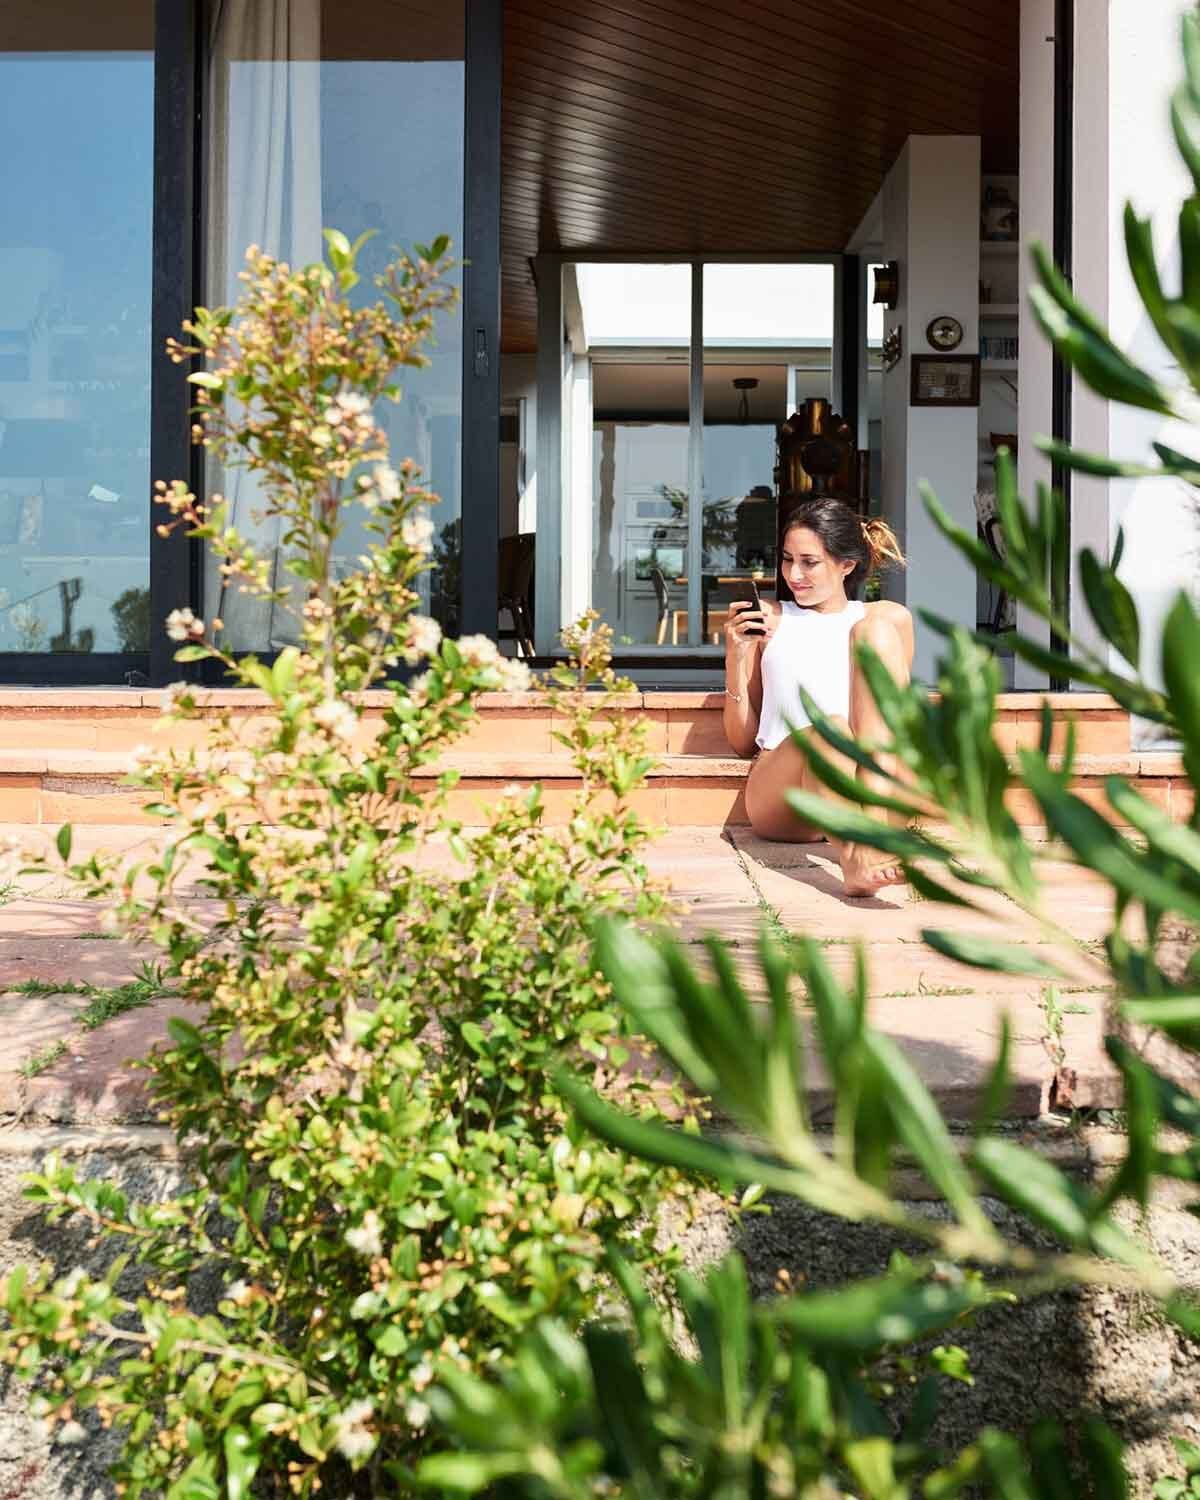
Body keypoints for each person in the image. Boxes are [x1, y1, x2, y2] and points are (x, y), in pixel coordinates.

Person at [723, 497, 913, 897]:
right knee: (832, 727)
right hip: (786, 793)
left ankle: (868, 832)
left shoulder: (888, 619)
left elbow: (892, 722)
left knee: (874, 631)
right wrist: (737, 658)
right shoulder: (771, 619)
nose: (794, 574)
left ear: (846, 564)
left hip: (871, 787)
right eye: (788, 559)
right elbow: (742, 742)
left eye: (809, 562)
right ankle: (857, 855)